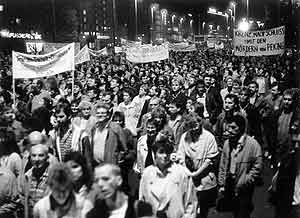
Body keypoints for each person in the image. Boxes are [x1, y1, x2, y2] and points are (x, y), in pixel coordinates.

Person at [218, 114, 263, 218]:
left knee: (242, 212)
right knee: (234, 211)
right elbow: (223, 164)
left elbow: (257, 166)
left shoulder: (253, 144)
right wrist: (221, 183)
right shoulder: (227, 143)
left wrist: (246, 180)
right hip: (230, 183)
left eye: (234, 127)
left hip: (244, 186)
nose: (230, 130)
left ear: (241, 128)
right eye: (229, 127)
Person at [140, 137, 196, 218]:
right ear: (154, 154)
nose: (165, 155)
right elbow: (142, 202)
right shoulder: (147, 174)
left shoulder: (181, 173)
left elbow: (190, 204)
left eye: (168, 152)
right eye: (161, 152)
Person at [177, 114, 219, 218]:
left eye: (196, 125)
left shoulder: (209, 137)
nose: (194, 128)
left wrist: (196, 173)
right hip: (188, 176)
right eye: (191, 126)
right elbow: (181, 155)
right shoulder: (185, 137)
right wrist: (187, 171)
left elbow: (210, 160)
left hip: (205, 177)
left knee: (204, 210)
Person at [81, 103, 127, 167]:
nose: (100, 115)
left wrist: (117, 159)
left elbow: (123, 148)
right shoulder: (94, 128)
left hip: (110, 165)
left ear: (108, 115)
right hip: (96, 165)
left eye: (103, 113)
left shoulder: (115, 128)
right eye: (98, 113)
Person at [19, 144, 52, 218]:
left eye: (41, 155)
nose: (37, 159)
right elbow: (23, 200)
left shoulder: (54, 177)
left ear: (47, 158)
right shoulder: (27, 177)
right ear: (30, 158)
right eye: (33, 155)